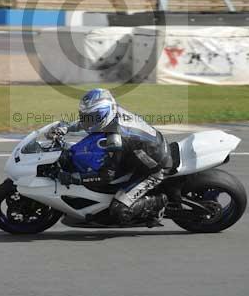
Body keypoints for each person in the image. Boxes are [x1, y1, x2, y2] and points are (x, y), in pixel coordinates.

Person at [47, 88, 174, 226]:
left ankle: (160, 201)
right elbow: (88, 121)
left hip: (154, 169)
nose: (88, 120)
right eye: (85, 115)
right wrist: (66, 128)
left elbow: (106, 176)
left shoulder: (115, 140)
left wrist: (73, 178)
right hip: (141, 153)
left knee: (119, 210)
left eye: (94, 117)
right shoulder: (112, 113)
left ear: (105, 113)